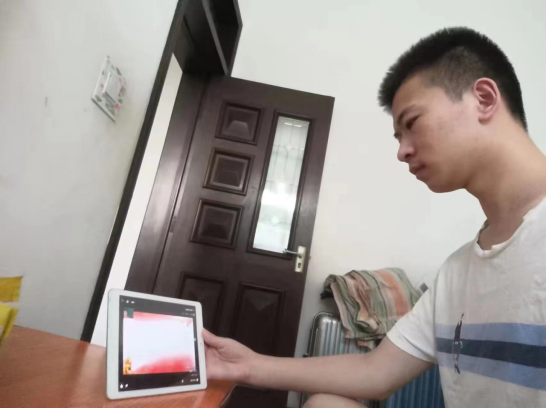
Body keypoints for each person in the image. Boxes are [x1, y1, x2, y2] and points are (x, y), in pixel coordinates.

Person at [202, 27, 546, 408]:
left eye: (412, 123)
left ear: (483, 99)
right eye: (398, 137)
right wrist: (247, 366)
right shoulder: (456, 273)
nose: (402, 152)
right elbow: (375, 372)